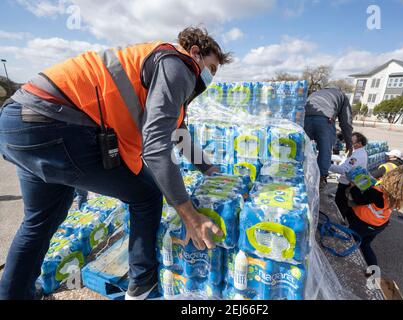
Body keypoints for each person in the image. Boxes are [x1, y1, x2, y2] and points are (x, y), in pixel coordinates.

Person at [0, 27, 231, 300]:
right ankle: (142, 286)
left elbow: (178, 134)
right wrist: (190, 215)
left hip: (17, 122)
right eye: (212, 68)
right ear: (195, 52)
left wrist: (209, 169)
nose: (210, 77)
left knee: (39, 222)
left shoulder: (160, 63)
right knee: (147, 194)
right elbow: (156, 147)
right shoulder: (179, 66)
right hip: (54, 125)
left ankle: (13, 294)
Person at [346, 166, 403, 268]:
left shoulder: (378, 193)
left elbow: (358, 199)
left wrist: (354, 186)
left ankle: (347, 265)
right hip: (379, 225)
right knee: (365, 245)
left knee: (349, 241)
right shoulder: (396, 196)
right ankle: (374, 270)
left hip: (363, 224)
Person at [304, 87, 353, 189]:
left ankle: (300, 172)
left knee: (302, 147)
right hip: (325, 119)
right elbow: (346, 122)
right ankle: (321, 178)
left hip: (305, 116)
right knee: (325, 150)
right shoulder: (342, 96)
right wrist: (349, 142)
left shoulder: (316, 93)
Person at [329, 132, 368, 218]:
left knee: (340, 207)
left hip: (346, 185)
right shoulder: (359, 152)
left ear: (359, 143)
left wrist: (326, 165)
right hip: (350, 183)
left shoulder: (357, 155)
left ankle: (339, 225)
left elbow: (343, 169)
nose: (349, 141)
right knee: (344, 207)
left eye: (352, 140)